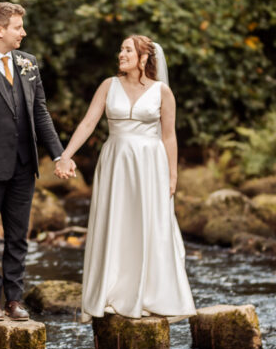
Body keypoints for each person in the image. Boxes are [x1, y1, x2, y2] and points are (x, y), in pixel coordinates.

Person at [55, 35, 196, 323]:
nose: (121, 54)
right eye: (120, 49)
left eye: (128, 50)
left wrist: (173, 175)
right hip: (116, 162)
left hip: (150, 165)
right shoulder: (109, 85)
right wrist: (65, 155)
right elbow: (89, 122)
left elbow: (169, 136)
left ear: (144, 58)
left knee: (146, 225)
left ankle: (147, 295)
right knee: (116, 223)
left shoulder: (162, 92)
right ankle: (110, 294)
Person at [0, 2, 75, 321]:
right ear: (0, 30)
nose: (24, 32)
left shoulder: (28, 63)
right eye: (18, 27)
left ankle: (15, 300)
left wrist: (59, 154)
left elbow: (41, 113)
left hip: (23, 163)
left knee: (19, 234)